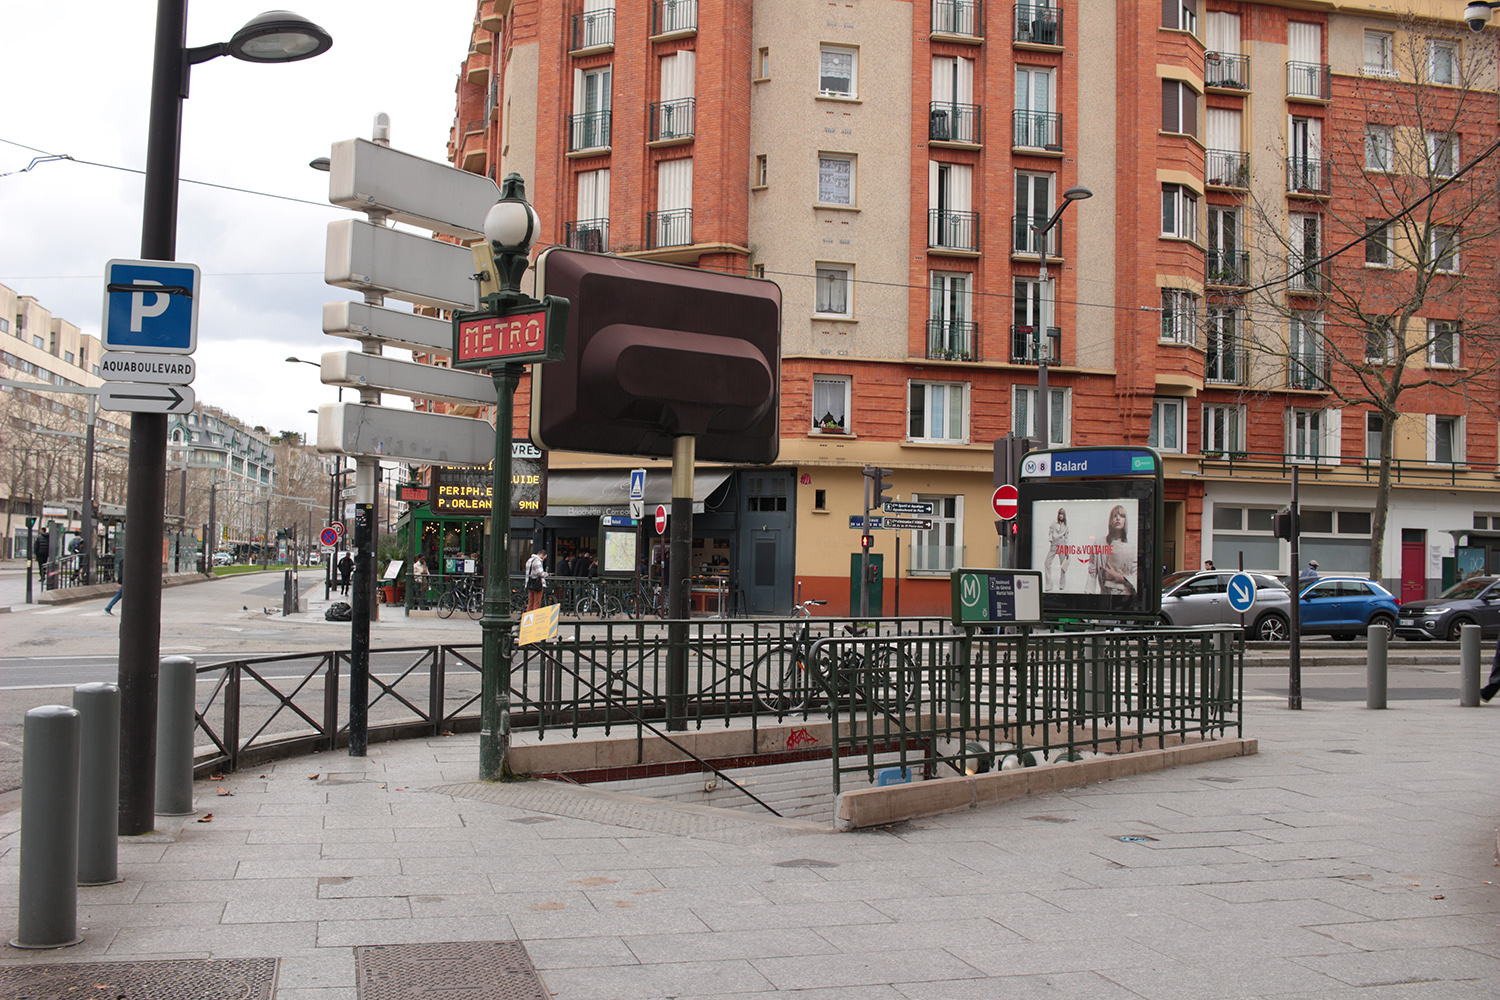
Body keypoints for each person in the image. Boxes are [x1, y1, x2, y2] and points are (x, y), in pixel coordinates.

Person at [1096, 504, 1137, 598]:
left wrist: (1114, 576)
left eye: (1122, 516)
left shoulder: (1131, 548)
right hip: (1104, 596)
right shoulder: (1099, 543)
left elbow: (1135, 577)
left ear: (1125, 521)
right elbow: (1092, 572)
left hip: (1125, 597)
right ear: (1110, 521)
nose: (1118, 519)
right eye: (1115, 516)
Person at [1043, 508, 1069, 592]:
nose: (1061, 515)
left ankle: (1062, 584)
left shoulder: (1065, 525)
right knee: (1047, 563)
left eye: (1062, 514)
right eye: (1060, 514)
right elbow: (1050, 531)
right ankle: (1049, 584)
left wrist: (1066, 549)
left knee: (1063, 565)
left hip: (1062, 543)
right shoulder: (1054, 522)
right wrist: (1051, 540)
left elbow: (1066, 537)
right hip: (1054, 543)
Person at [524, 547, 548, 612]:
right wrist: (546, 574)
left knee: (530, 602)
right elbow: (540, 573)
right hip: (537, 584)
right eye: (544, 558)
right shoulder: (538, 561)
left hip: (530, 583)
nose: (543, 559)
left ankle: (528, 617)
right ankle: (535, 618)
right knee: (537, 603)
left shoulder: (529, 560)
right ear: (542, 555)